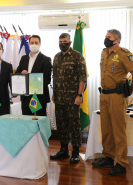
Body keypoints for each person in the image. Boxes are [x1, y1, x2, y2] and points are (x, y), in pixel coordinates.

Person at [92, 29, 133, 175]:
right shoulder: (104, 53)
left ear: (117, 40)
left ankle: (121, 162)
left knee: (118, 131)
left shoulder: (124, 54)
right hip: (104, 95)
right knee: (106, 129)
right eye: (105, 36)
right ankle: (108, 156)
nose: (106, 39)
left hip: (117, 97)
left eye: (109, 37)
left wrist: (130, 89)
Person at [50, 33, 87, 164]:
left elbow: (83, 77)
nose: (62, 43)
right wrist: (54, 93)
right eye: (60, 41)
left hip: (73, 98)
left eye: (64, 41)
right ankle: (64, 150)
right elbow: (55, 77)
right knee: (61, 124)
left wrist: (79, 95)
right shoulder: (56, 57)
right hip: (59, 98)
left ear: (70, 42)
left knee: (74, 125)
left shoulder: (77, 56)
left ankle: (76, 152)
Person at [15, 35, 52, 116]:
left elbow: (47, 79)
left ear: (40, 44)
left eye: (36, 43)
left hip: (38, 98)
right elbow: (17, 75)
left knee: (38, 121)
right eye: (32, 43)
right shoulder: (23, 58)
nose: (34, 44)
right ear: (28, 44)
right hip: (25, 97)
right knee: (27, 122)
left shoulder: (46, 59)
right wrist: (21, 74)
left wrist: (31, 80)